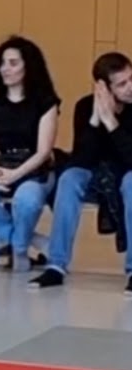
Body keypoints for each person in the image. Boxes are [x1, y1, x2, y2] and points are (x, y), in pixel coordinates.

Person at [30, 52, 132, 294]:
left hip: (126, 172)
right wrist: (96, 119)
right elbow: (82, 159)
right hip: (95, 173)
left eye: (131, 79)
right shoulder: (84, 107)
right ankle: (56, 265)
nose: (130, 87)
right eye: (122, 84)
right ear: (103, 87)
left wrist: (112, 123)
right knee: (69, 178)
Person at [0, 36, 59, 273]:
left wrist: (14, 176)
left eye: (13, 63)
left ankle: (18, 246)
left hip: (34, 168)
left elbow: (44, 151)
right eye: (2, 63)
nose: (5, 68)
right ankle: (25, 242)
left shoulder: (45, 102)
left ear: (29, 66)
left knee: (27, 199)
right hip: (1, 164)